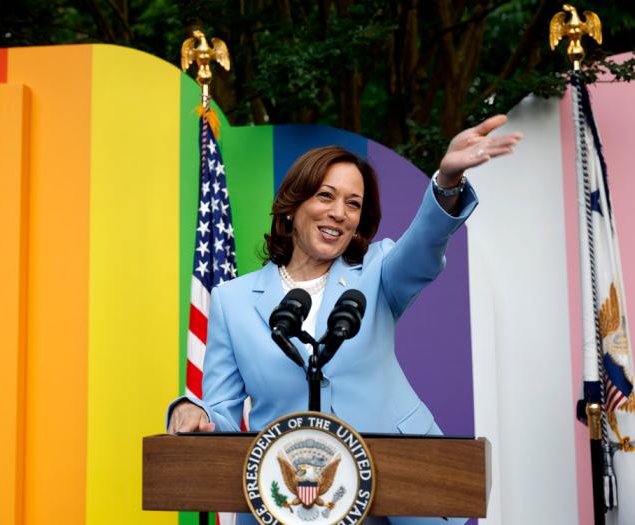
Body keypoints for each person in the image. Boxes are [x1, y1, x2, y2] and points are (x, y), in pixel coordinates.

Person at [167, 115, 522, 525]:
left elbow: (424, 245)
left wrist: (446, 181)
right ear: (292, 205)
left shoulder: (378, 269)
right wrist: (191, 413)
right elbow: (222, 413)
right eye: (325, 196)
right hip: (293, 502)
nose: (339, 213)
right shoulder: (233, 301)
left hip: (401, 484)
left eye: (353, 204)